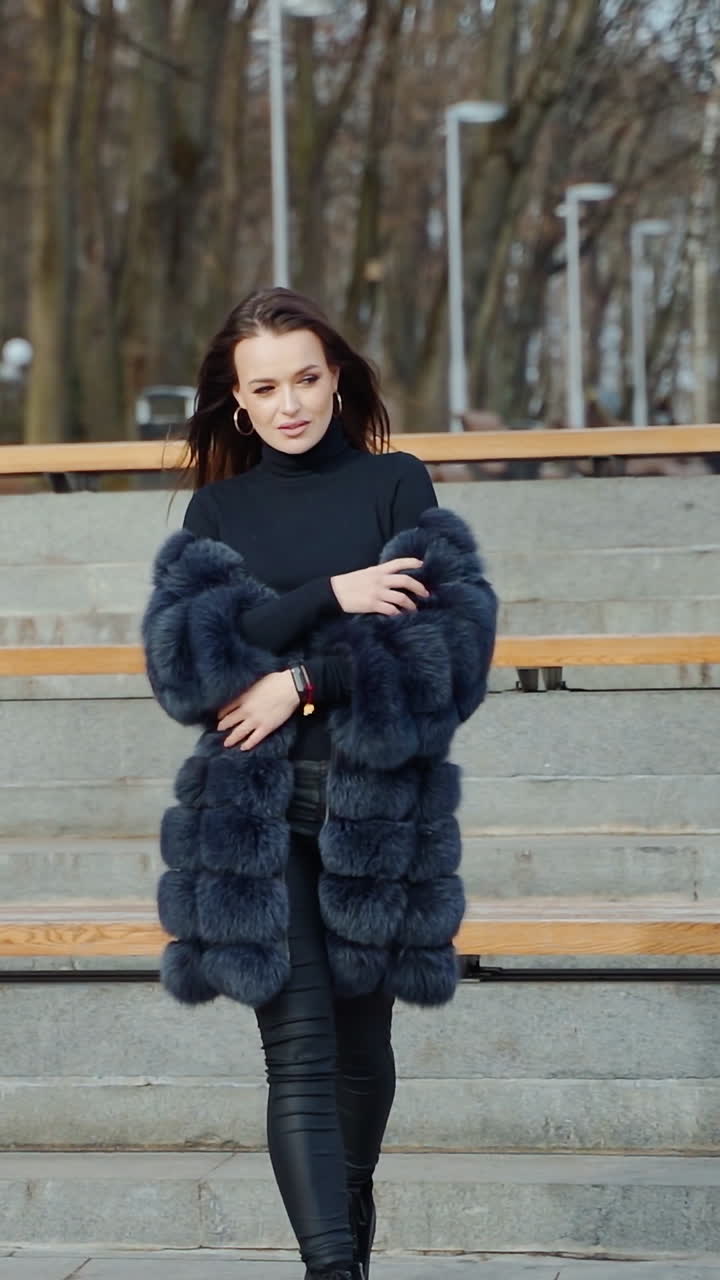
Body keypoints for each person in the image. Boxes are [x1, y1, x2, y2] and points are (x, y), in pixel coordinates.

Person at [141, 288, 497, 1280]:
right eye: (265, 388)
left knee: (360, 1056)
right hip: (252, 819)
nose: (289, 403)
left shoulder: (395, 484)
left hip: (375, 816)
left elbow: (447, 656)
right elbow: (188, 665)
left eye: (305, 378)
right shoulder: (220, 509)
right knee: (298, 1056)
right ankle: (330, 1268)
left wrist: (298, 678)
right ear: (237, 400)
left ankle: (347, 1226)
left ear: (337, 376)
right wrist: (334, 596)